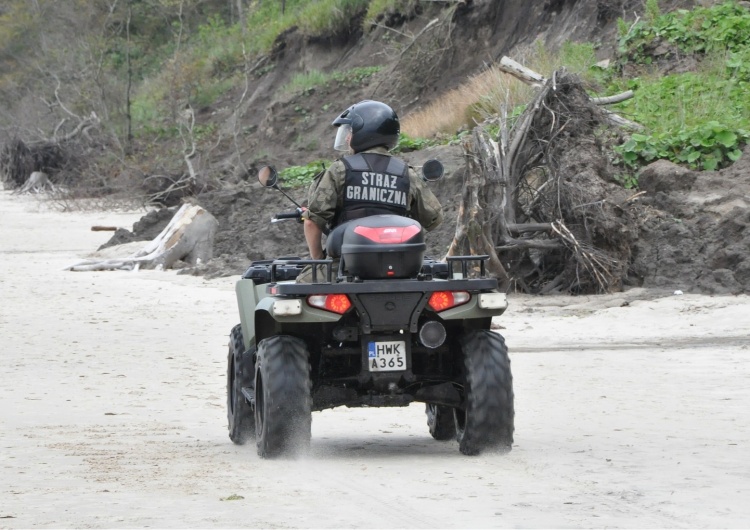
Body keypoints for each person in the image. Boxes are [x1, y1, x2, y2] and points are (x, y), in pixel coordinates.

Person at [298, 100, 443, 282]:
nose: (347, 138)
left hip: (346, 267)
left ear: (364, 132)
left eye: (350, 132)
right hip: (401, 266)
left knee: (300, 289)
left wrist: (318, 260)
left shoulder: (340, 170)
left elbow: (312, 223)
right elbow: (434, 220)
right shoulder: (407, 174)